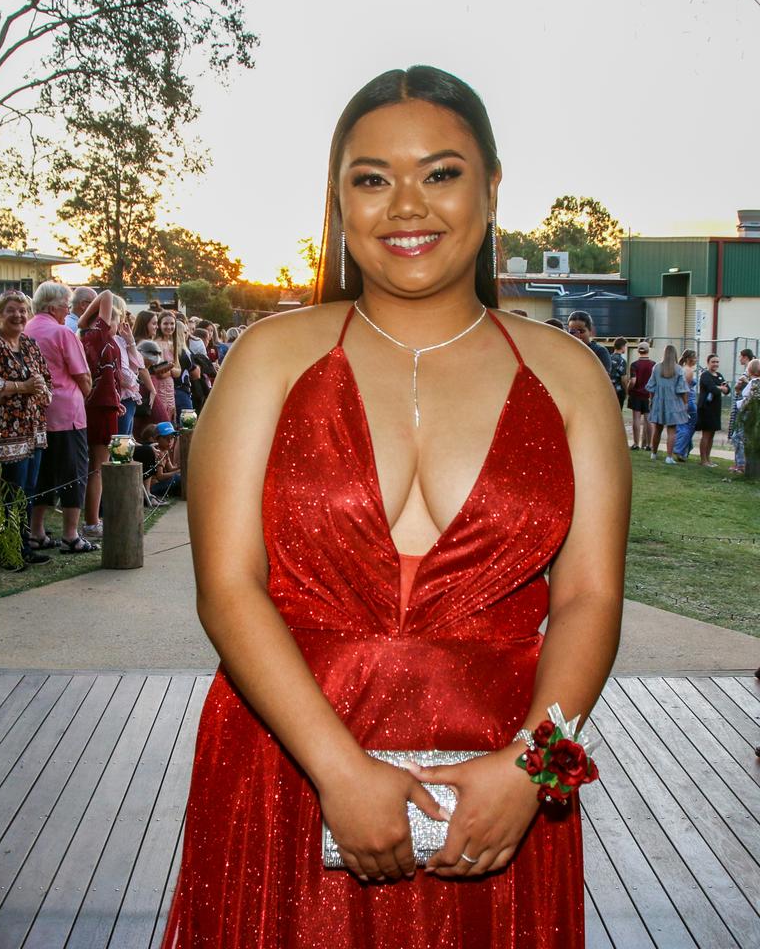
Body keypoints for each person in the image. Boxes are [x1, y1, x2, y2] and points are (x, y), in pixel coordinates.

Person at [161, 66, 629, 949]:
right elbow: (228, 587)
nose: (405, 205)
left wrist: (532, 768)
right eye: (370, 179)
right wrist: (338, 771)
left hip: (497, 787)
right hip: (289, 770)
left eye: (441, 173)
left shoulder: (569, 377)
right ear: (339, 204)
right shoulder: (267, 358)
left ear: (491, 188)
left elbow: (589, 599)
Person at [25, 282, 96, 554]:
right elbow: (82, 374)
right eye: (66, 305)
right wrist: (86, 394)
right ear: (53, 306)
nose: (68, 310)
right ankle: (70, 535)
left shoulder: (28, 330)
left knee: (44, 473)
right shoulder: (61, 332)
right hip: (67, 412)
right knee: (73, 472)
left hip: (37, 413)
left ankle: (36, 532)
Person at [0, 290, 52, 568]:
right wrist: (20, 387)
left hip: (33, 430)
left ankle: (22, 546)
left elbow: (47, 378)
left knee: (28, 490)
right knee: (10, 493)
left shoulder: (29, 344)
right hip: (4, 433)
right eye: (11, 310)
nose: (18, 315)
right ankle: (7, 551)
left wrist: (41, 387)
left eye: (22, 310)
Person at [79, 290, 126, 541]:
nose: (118, 326)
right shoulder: (98, 336)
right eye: (116, 320)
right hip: (100, 408)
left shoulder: (94, 339)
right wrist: (85, 318)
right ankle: (91, 522)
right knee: (97, 467)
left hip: (104, 404)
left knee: (95, 465)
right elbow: (107, 294)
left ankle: (91, 518)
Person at [645, 344, 689, 464]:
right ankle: (669, 457)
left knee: (657, 429)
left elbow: (651, 387)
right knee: (672, 430)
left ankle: (653, 453)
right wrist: (685, 404)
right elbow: (682, 389)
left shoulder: (656, 368)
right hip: (674, 403)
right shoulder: (678, 369)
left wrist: (651, 400)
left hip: (659, 401)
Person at [696, 353, 730, 467]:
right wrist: (721, 388)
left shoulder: (719, 375)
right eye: (713, 362)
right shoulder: (705, 375)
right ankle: (703, 460)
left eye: (717, 362)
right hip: (706, 408)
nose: (715, 364)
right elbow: (712, 389)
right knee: (706, 434)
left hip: (715, 408)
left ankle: (708, 459)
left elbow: (727, 389)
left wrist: (721, 388)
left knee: (712, 434)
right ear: (708, 363)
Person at [731, 358, 760, 474]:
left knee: (738, 437)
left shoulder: (753, 383)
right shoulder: (755, 382)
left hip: (747, 414)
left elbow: (749, 398)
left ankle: (740, 464)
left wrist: (741, 406)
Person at [728, 349, 754, 473]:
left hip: (746, 410)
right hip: (741, 408)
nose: (739, 359)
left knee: (738, 437)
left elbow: (751, 389)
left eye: (740, 357)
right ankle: (739, 463)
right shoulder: (747, 373)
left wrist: (742, 384)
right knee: (737, 436)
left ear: (745, 357)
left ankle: (741, 464)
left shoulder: (750, 374)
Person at [153, 310, 181, 422]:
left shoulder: (173, 344)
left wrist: (169, 369)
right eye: (165, 323)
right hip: (158, 387)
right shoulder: (155, 343)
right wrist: (170, 370)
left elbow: (178, 371)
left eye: (172, 324)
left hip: (170, 388)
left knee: (170, 420)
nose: (169, 327)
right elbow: (159, 373)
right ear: (159, 325)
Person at [627, 342, 654, 450]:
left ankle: (636, 443)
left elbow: (633, 380)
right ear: (648, 350)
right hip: (648, 394)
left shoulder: (634, 365)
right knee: (648, 420)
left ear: (638, 351)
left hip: (636, 394)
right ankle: (648, 444)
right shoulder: (653, 364)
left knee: (636, 419)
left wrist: (628, 389)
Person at [673, 349, 698, 461]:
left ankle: (684, 450)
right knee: (689, 426)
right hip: (688, 401)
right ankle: (679, 449)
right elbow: (685, 389)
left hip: (682, 401)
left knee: (683, 425)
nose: (696, 359)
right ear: (689, 359)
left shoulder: (681, 369)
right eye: (695, 357)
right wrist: (686, 403)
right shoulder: (688, 371)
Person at [609, 337, 628, 410]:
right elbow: (623, 379)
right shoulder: (622, 361)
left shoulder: (608, 358)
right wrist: (626, 391)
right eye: (625, 346)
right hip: (618, 391)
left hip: (608, 390)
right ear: (622, 347)